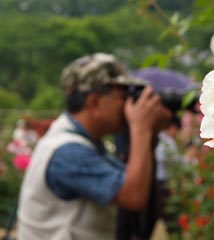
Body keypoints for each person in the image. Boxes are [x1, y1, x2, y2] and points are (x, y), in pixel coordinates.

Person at [17, 53, 171, 240]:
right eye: (123, 95)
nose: (128, 104)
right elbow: (133, 197)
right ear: (94, 102)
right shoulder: (68, 151)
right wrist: (141, 128)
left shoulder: (83, 141)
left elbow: (133, 183)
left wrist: (149, 133)